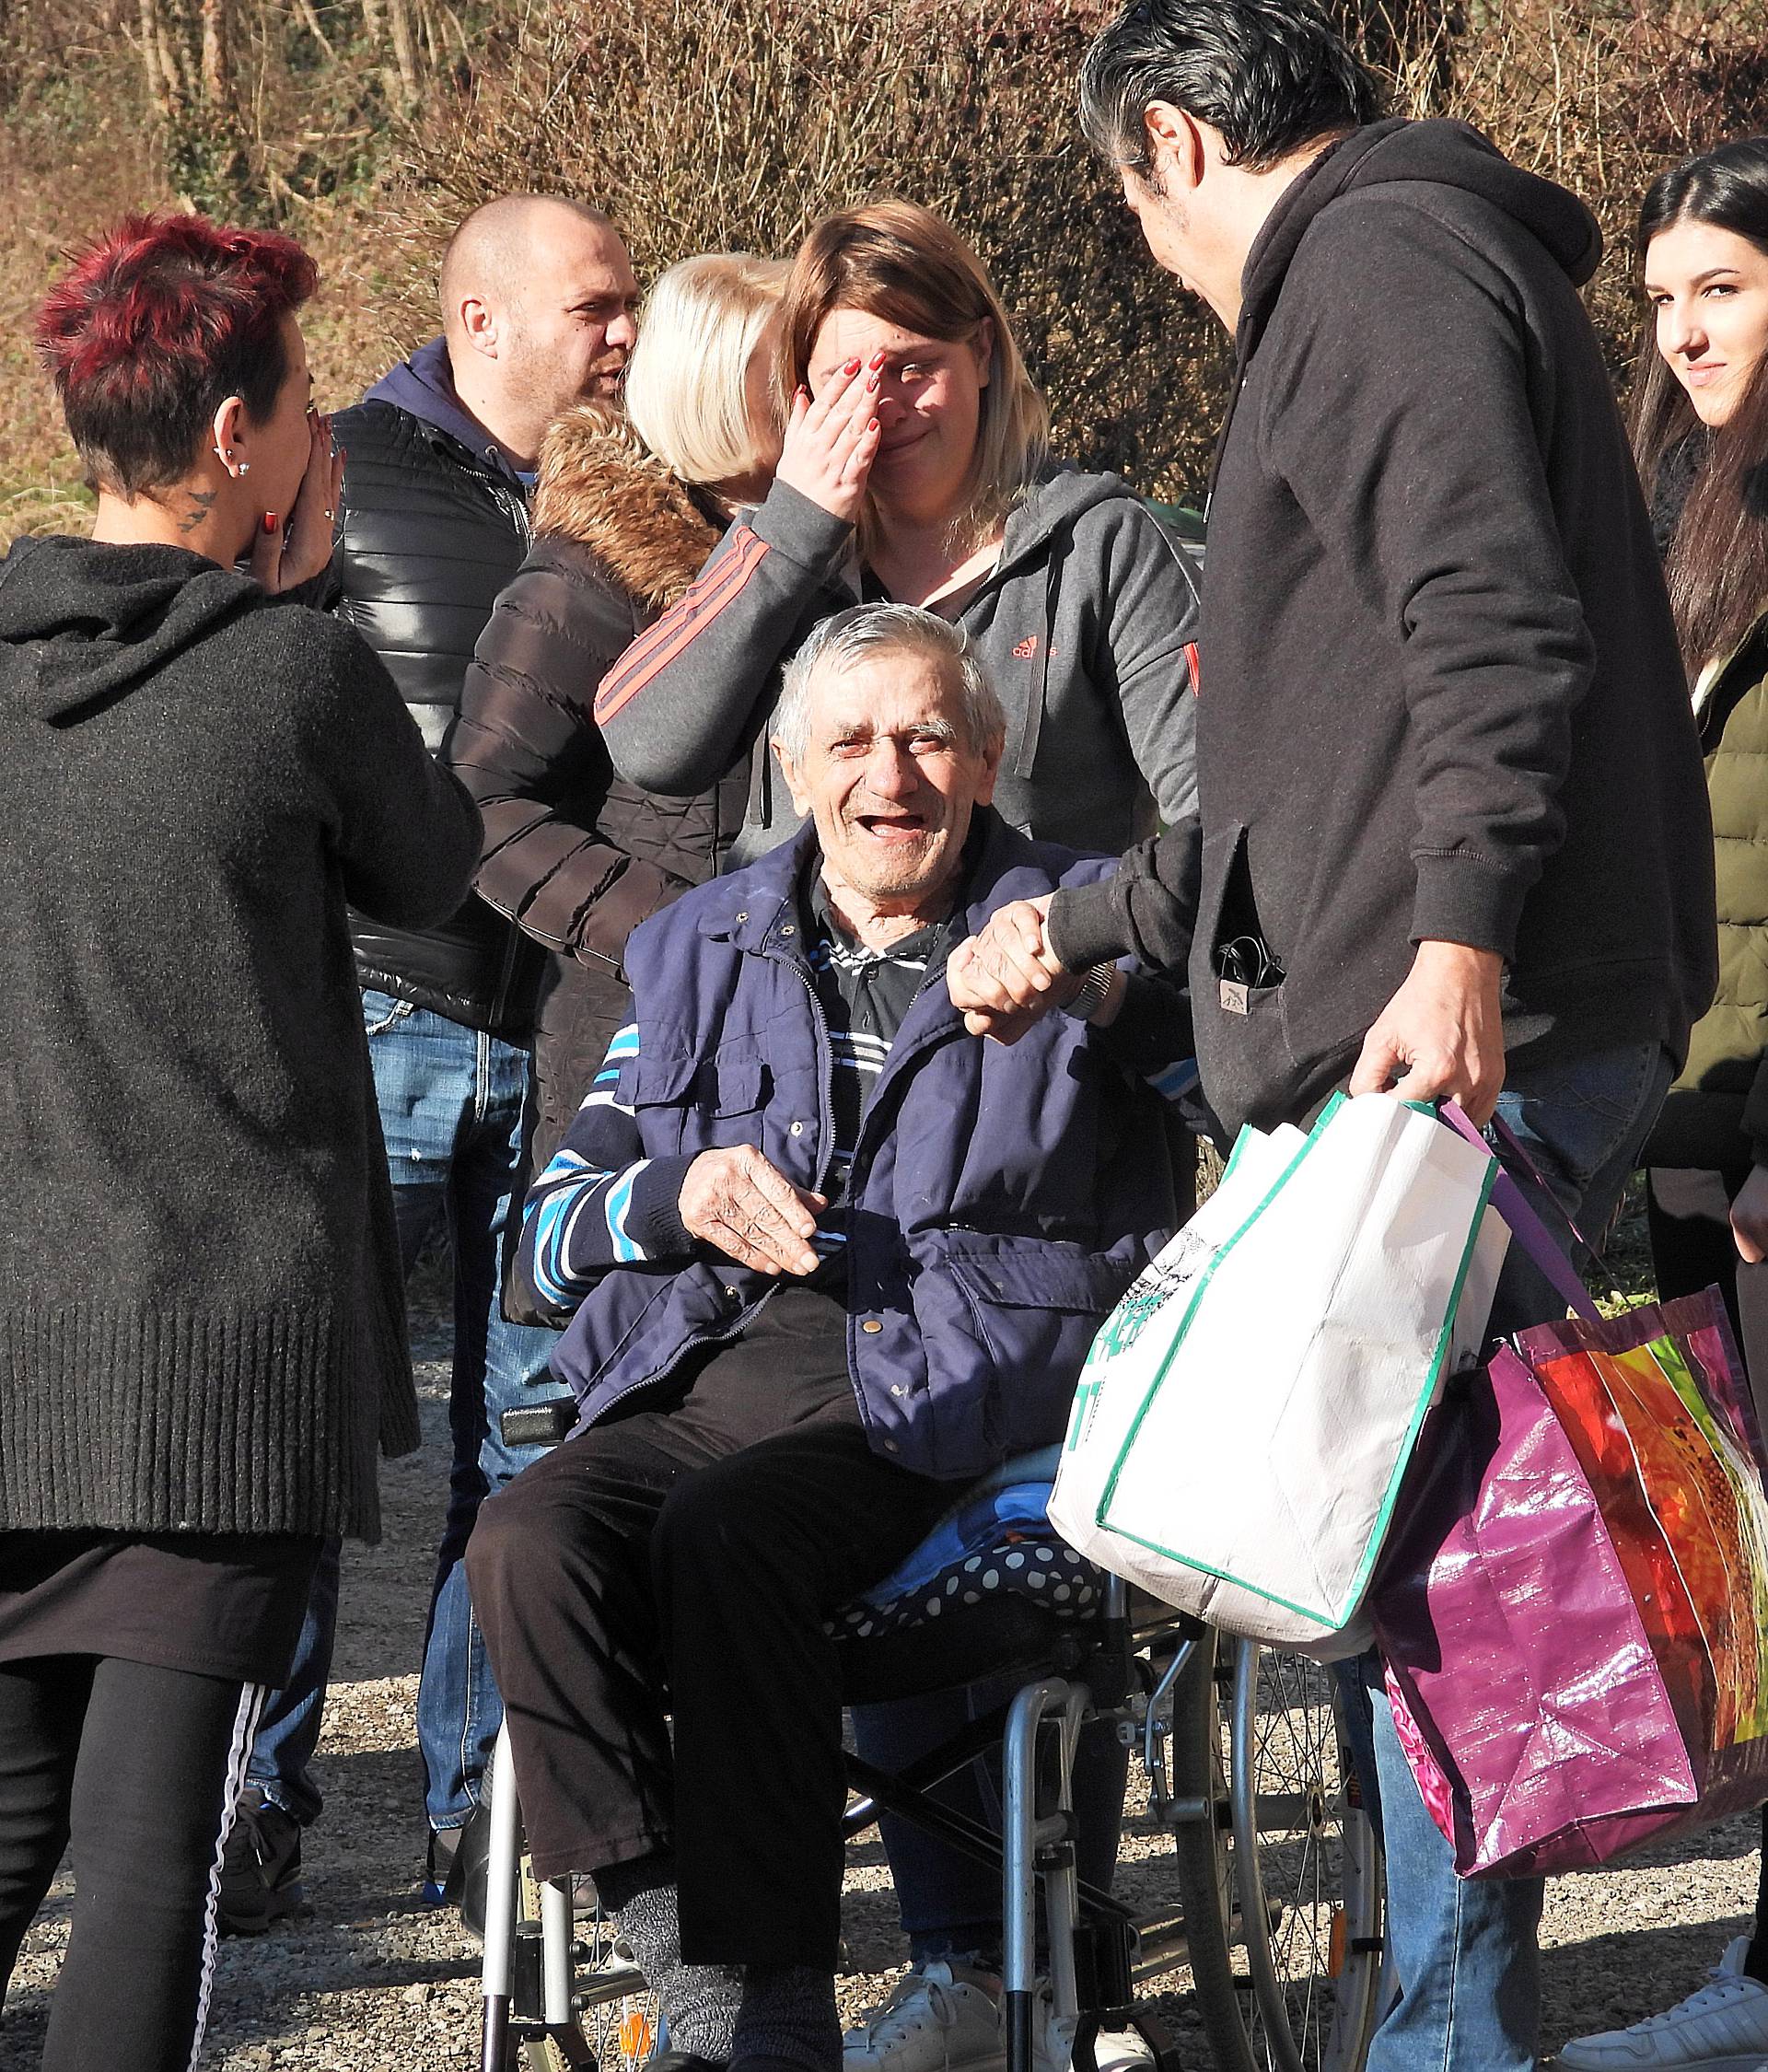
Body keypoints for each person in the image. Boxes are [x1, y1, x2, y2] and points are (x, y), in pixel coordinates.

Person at [947, 6, 1719, 2072]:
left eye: (1133, 206)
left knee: (1425, 1536)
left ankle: (1458, 2036)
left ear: (1178, 144)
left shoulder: (1372, 269)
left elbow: (1487, 618)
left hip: (1475, 1020)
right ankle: (1459, 2021)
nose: (1155, 254)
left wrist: (1460, 941)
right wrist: (1106, 918)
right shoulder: (1411, 261)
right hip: (1456, 1000)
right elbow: (1320, 765)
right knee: (1415, 1532)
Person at [594, 202, 1201, 2066]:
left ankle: (1011, 1954)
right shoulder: (796, 552)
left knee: (953, 1491)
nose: (882, 400)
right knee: (771, 1484)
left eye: (914, 361)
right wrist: (788, 515)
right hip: (823, 1112)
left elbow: (1225, 831)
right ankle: (828, 1965)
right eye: (840, 366)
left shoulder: (1099, 549)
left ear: (987, 364)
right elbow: (649, 741)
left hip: (1066, 1091)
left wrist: (1084, 940)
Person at [466, 603, 1182, 2072]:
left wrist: (1101, 981)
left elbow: (1229, 1086)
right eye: (850, 740)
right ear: (793, 770)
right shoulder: (687, 951)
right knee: (523, 1539)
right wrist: (675, 1190)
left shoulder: (1083, 928)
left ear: (988, 755)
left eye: (928, 735)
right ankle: (704, 1966)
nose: (891, 773)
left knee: (732, 1534)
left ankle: (766, 2006)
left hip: (960, 1389)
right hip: (712, 1365)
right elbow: (540, 1240)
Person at [0, 212, 480, 2069]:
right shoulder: (292, 673)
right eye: (300, 406)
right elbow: (435, 877)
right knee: (140, 1866)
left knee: (20, 1820)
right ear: (236, 439)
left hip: (19, 1349)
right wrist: (309, 596)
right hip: (216, 1350)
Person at [222, 192, 644, 1932]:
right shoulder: (345, 477)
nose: (624, 337)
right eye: (597, 308)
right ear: (484, 324)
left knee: (522, 1445)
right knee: (302, 1439)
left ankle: (481, 1808)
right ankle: (248, 1795)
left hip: (558, 1035)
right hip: (377, 1011)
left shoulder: (641, 499)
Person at [1557, 135, 1768, 2072]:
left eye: (1727, 285)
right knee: (1749, 1553)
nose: (1687, 327)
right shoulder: (1662, 502)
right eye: (1667, 295)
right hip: (1690, 1114)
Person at [444, 252, 785, 1256]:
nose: (823, 398)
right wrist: (687, 941)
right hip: (628, 1060)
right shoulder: (589, 575)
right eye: (790, 374)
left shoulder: (837, 556)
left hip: (795, 1047)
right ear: (715, 392)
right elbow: (482, 807)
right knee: (563, 1394)